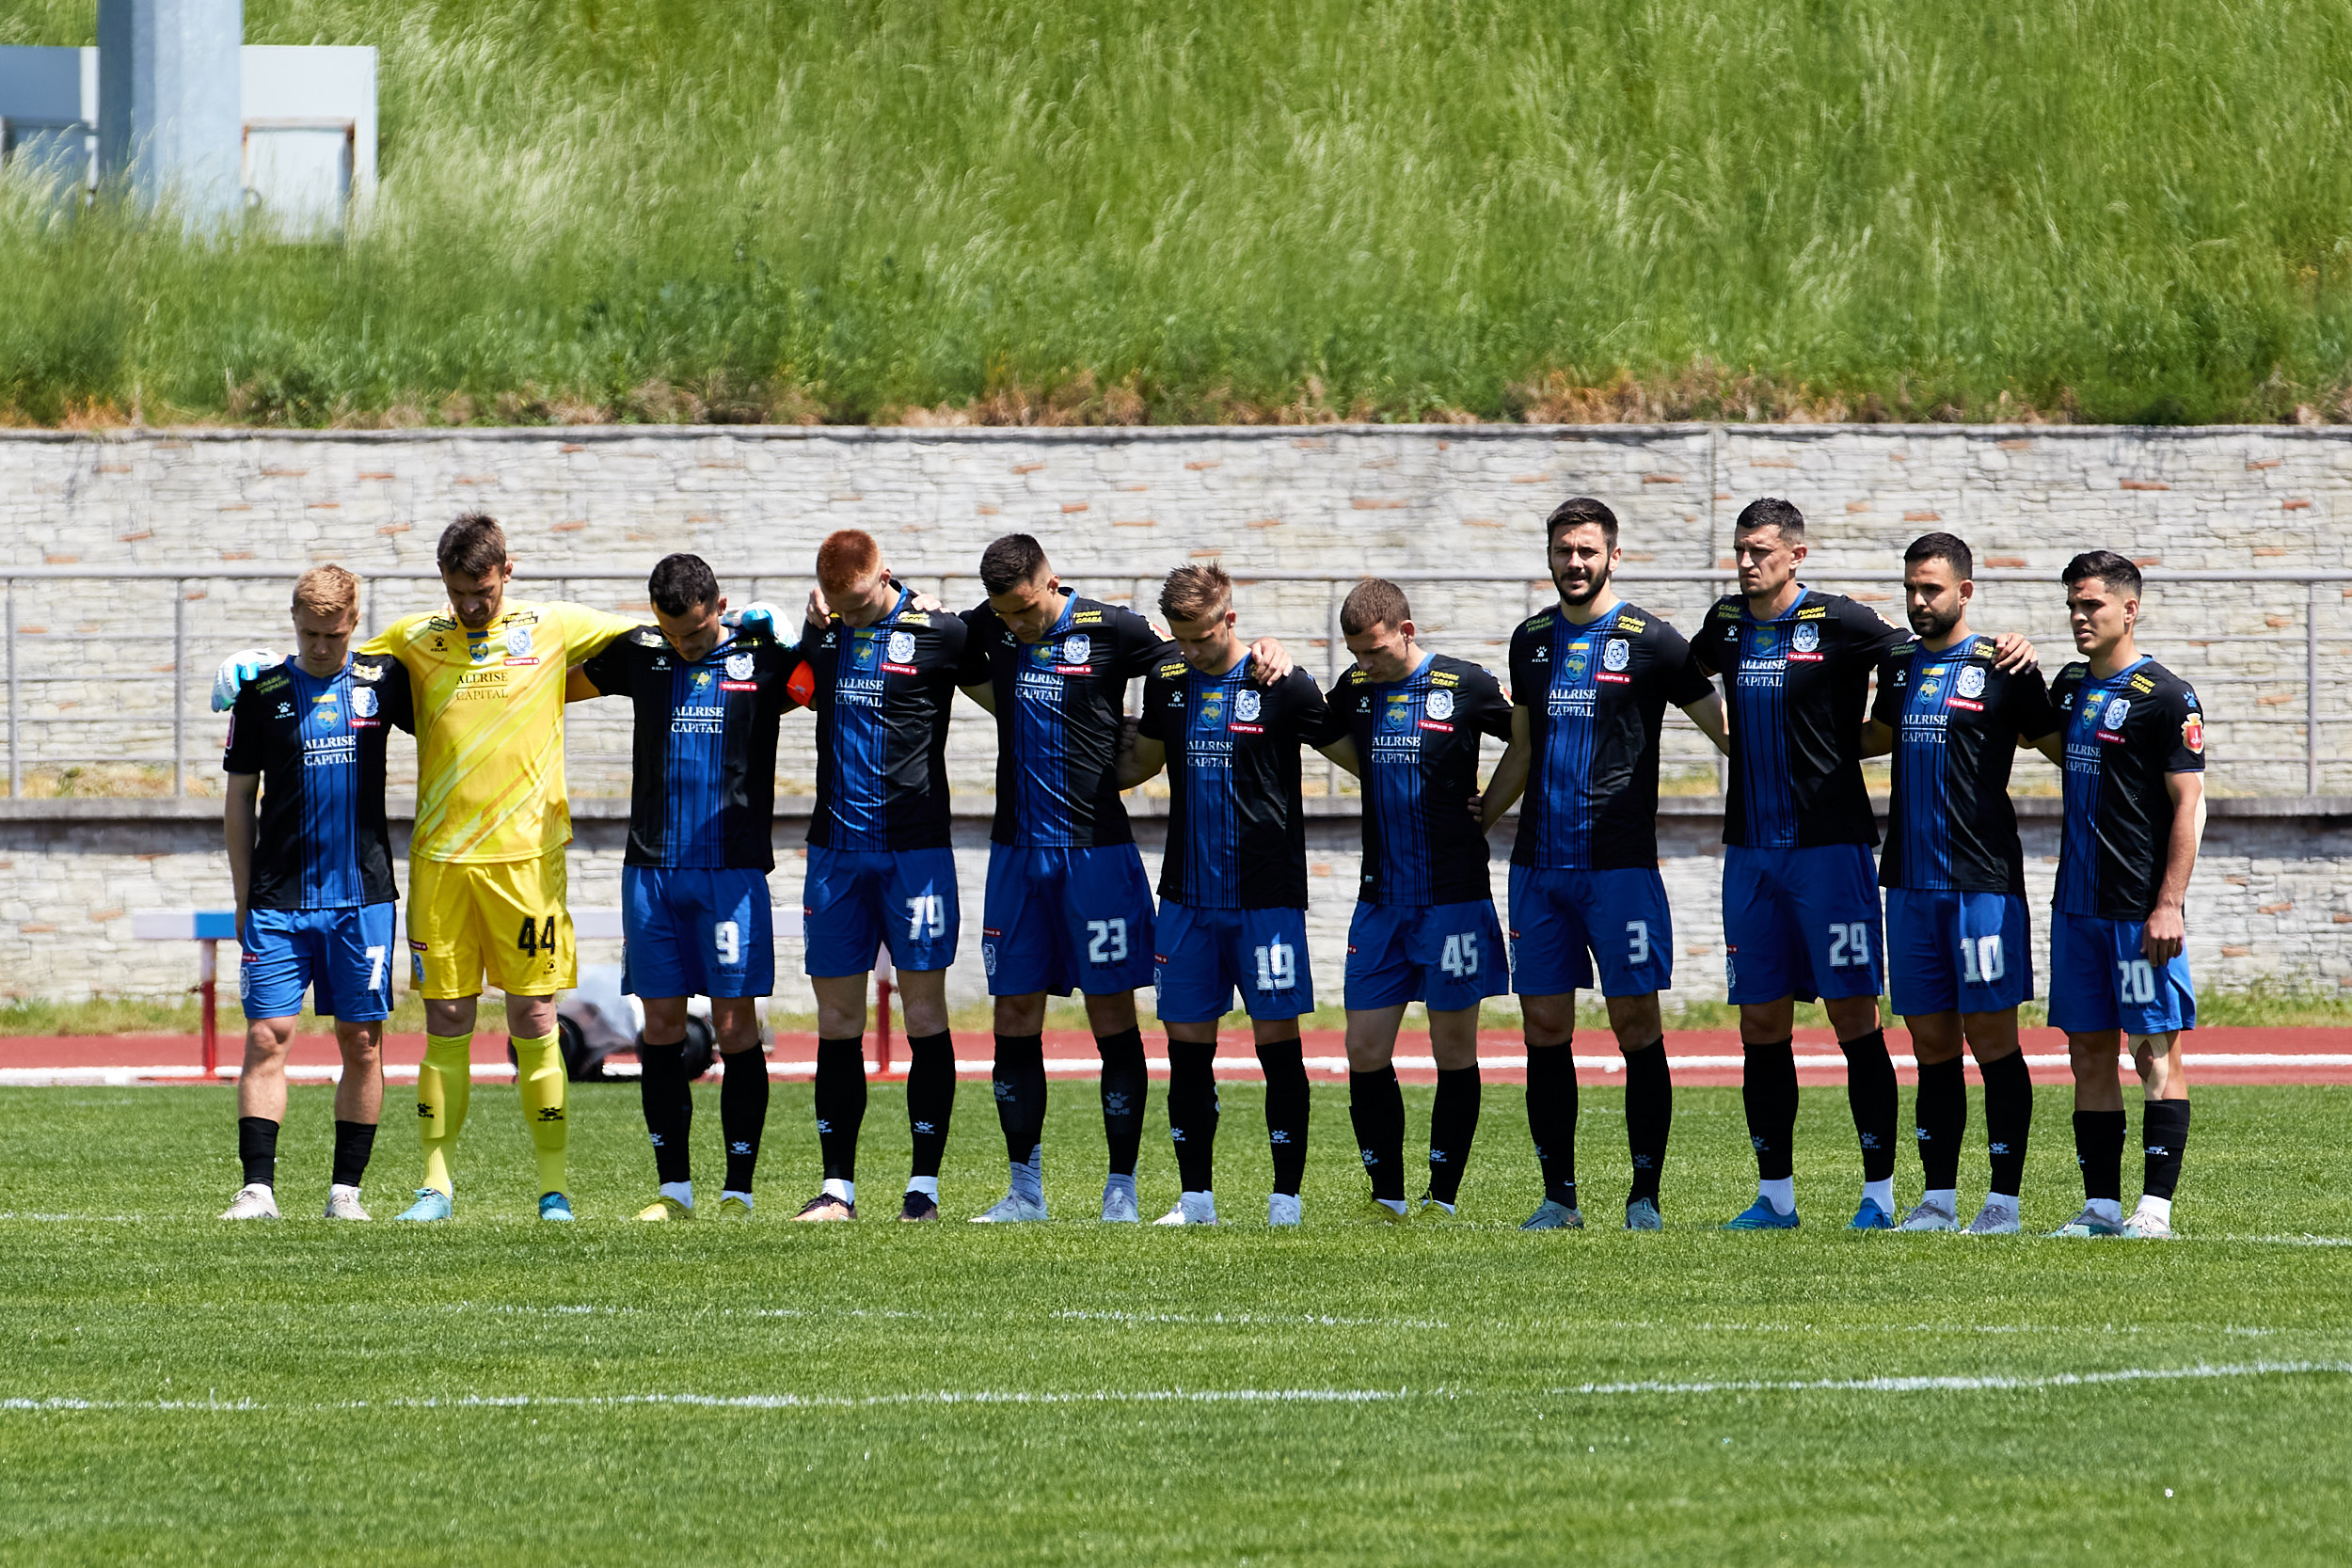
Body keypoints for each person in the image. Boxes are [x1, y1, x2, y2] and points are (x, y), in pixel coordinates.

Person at [216, 515, 675, 1221]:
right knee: (448, 1018)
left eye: (481, 590)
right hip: (441, 862)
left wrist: (740, 633)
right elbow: (328, 658)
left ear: (507, 571)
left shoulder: (553, 625)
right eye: (457, 591)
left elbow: (656, 633)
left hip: (527, 862)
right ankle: (435, 1186)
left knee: (535, 1015)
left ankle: (553, 1188)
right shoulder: (414, 639)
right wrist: (259, 664)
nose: (469, 604)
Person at [1687, 498, 2032, 1231]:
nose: (1747, 562)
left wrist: (2008, 646)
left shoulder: (1844, 622)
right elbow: (1677, 672)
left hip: (1833, 850)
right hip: (1749, 852)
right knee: (1760, 1022)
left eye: (1760, 550)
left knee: (1856, 1016)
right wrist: (1728, 736)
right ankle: (1775, 1197)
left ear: (1796, 555)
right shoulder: (1725, 622)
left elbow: (1920, 663)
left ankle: (1879, 1194)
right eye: (1741, 549)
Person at [953, 534, 1290, 1223]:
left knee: (1111, 1013)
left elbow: (1195, 660)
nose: (1016, 625)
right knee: (1012, 1015)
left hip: (1097, 855)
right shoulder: (987, 623)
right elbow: (931, 639)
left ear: (1052, 585)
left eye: (1025, 610)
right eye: (1005, 615)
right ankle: (1024, 1192)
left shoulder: (1113, 628)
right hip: (1016, 853)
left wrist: (1268, 648)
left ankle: (1121, 1190)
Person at [1479, 499, 1727, 1231]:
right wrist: (1479, 820)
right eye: (1564, 550)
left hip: (1620, 868)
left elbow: (1725, 729)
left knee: (1636, 1023)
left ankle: (1644, 1196)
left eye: (1588, 550)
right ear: (1550, 556)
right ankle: (1559, 1198)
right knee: (1544, 1026)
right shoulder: (1530, 640)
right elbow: (1522, 748)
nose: (1575, 562)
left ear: (1614, 556)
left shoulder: (1652, 640)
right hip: (1538, 868)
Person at [571, 553, 806, 1222]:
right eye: (673, 633)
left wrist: (800, 640)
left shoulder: (761, 658)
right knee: (662, 1026)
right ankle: (674, 1189)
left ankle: (738, 1191)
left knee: (734, 1025)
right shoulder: (642, 654)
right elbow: (552, 684)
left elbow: (824, 689)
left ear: (721, 606)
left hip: (731, 871)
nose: (685, 645)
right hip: (651, 870)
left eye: (697, 632)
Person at [1118, 563, 1340, 1226]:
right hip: (1186, 898)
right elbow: (1142, 762)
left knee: (1278, 1047)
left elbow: (1357, 756)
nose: (1191, 651)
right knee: (1188, 1052)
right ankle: (1196, 1200)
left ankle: (1285, 1200)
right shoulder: (1168, 680)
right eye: (1181, 639)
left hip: (1266, 901)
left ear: (1230, 619)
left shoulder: (1281, 682)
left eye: (1203, 637)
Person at [1861, 532, 2060, 1235]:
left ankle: (2003, 1201)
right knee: (1931, 1047)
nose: (1919, 601)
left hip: (1983, 885)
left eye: (1932, 589)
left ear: (1964, 592)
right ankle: (1938, 1200)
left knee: (1993, 1040)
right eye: (1911, 589)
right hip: (1909, 884)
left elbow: (2064, 750)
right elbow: (1874, 735)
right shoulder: (1896, 664)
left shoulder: (2004, 665)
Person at [1311, 578, 1514, 1222]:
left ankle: (1442, 1198)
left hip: (1453, 901)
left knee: (1452, 1050)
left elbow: (1532, 737)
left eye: (1373, 651)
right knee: (1364, 1049)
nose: (1363, 664)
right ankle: (1388, 1197)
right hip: (1380, 902)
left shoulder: (1466, 684)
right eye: (1354, 653)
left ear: (1406, 631)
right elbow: (1316, 726)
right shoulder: (1355, 689)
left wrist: (1494, 806)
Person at [216, 565, 414, 1220]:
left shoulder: (384, 681)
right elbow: (239, 799)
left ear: (354, 623)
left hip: (363, 899)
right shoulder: (261, 691)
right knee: (266, 1036)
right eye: (309, 634)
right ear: (294, 625)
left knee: (362, 1042)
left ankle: (345, 1192)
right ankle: (257, 1190)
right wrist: (243, 896)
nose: (321, 647)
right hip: (278, 899)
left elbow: (454, 703)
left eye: (333, 634)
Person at [786, 531, 968, 1222]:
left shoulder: (940, 632)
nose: (851, 614)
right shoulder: (825, 633)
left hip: (916, 855)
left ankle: (924, 1189)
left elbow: (1010, 655)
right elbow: (792, 689)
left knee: (924, 1014)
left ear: (885, 574)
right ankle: (837, 1189)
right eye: (839, 604)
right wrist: (813, 628)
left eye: (860, 601)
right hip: (835, 854)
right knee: (837, 1020)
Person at [2029, 551, 2206, 1240]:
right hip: (2076, 907)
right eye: (2072, 605)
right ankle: (2101, 1207)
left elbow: (2189, 804)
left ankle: (2155, 1209)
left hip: (2138, 911)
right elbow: (2037, 734)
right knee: (2088, 1054)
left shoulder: (2167, 696)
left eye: (2092, 605)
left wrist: (2169, 903)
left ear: (2129, 609)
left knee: (2154, 1051)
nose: (2079, 617)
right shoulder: (2071, 684)